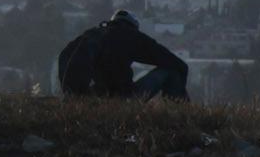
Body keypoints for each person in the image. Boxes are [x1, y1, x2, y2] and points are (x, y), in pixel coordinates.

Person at [55, 8, 189, 100]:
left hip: (96, 97)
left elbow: (65, 57)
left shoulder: (92, 35)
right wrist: (183, 70)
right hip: (125, 98)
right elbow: (167, 59)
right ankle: (178, 111)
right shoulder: (132, 36)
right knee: (171, 71)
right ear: (132, 25)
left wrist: (73, 95)